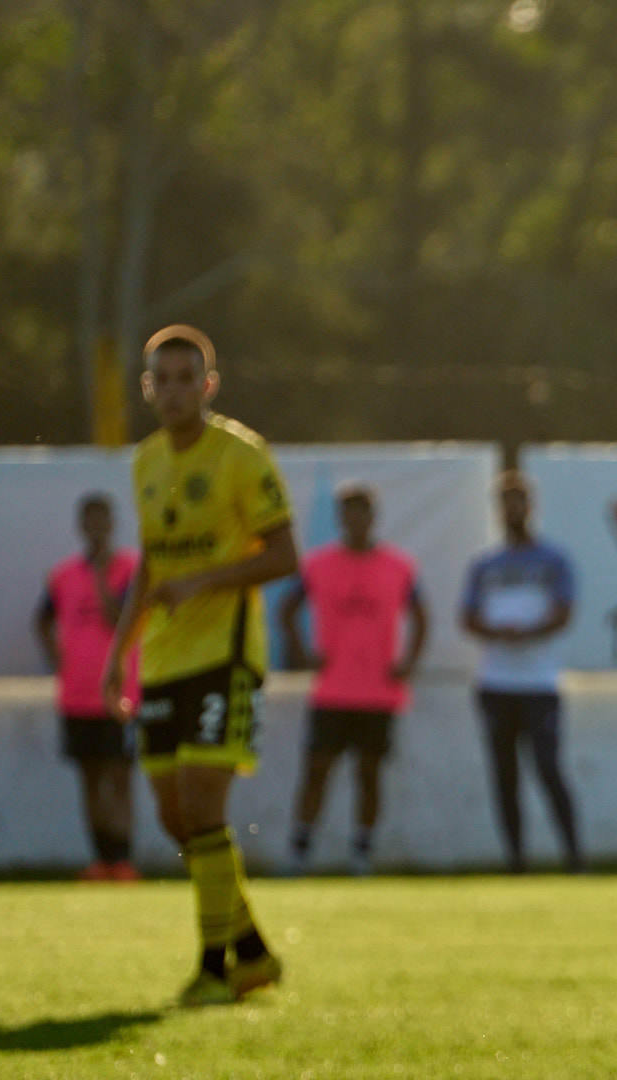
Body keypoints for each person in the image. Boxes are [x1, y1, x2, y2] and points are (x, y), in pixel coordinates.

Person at [103, 325, 298, 1006]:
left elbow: (283, 556)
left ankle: (216, 969)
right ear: (148, 387)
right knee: (175, 820)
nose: (176, 389)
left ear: (208, 386)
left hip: (225, 656)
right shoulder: (146, 462)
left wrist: (206, 582)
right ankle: (253, 952)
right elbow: (151, 567)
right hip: (163, 658)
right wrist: (117, 655)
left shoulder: (242, 456)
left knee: (201, 806)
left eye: (190, 377)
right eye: (165, 378)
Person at [276, 482, 427, 876]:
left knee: (369, 774)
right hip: (333, 690)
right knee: (317, 770)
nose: (356, 520)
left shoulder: (399, 566)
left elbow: (422, 616)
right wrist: (302, 654)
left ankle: (362, 855)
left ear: (373, 518)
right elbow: (287, 609)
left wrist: (408, 661)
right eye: (348, 513)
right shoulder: (318, 564)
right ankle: (299, 852)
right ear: (340, 518)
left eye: (363, 512)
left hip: (378, 691)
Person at [461, 471, 583, 873]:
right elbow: (469, 617)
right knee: (505, 775)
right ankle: (516, 860)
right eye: (505, 503)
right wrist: (498, 633)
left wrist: (526, 633)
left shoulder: (553, 559)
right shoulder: (485, 564)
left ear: (531, 508)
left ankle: (574, 857)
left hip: (539, 683)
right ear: (498, 511)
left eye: (519, 502)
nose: (512, 511)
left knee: (548, 768)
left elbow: (563, 613)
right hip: (495, 683)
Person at [36, 493, 141, 880]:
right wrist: (57, 656)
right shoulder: (62, 575)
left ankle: (124, 860)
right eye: (89, 521)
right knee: (90, 779)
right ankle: (101, 859)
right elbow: (42, 620)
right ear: (82, 525)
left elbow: (120, 620)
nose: (96, 528)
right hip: (77, 694)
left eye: (102, 520)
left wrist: (99, 576)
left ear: (112, 524)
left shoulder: (131, 569)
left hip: (120, 694)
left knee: (120, 777)